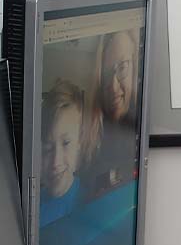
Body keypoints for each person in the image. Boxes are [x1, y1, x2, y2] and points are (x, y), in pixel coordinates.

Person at [84, 28, 141, 197]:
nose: (114, 87)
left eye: (122, 67)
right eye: (107, 73)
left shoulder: (142, 128)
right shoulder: (89, 138)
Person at [39, 79, 91, 226]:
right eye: (48, 147)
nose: (56, 161)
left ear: (79, 144)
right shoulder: (33, 205)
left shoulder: (89, 201)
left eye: (66, 143)